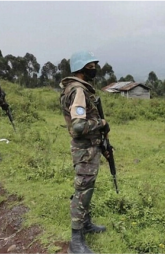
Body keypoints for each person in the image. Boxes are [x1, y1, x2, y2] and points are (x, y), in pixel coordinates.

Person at [59, 51, 109, 254]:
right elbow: (78, 126)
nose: (95, 69)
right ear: (82, 68)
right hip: (84, 149)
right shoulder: (79, 90)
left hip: (88, 148)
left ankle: (86, 223)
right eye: (91, 66)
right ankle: (76, 241)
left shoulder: (75, 89)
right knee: (83, 191)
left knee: (87, 188)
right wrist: (101, 123)